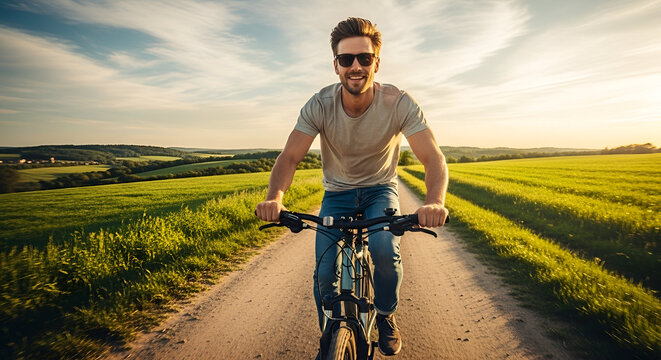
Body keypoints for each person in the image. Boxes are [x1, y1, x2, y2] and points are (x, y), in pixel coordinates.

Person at [256, 17, 449, 357]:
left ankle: (386, 315)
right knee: (324, 274)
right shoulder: (320, 104)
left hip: (380, 189)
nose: (356, 66)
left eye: (364, 58)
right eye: (347, 60)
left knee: (384, 252)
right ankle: (329, 338)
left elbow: (433, 158)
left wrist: (433, 202)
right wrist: (275, 197)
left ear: (377, 62)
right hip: (337, 193)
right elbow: (289, 157)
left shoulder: (398, 102)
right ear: (336, 65)